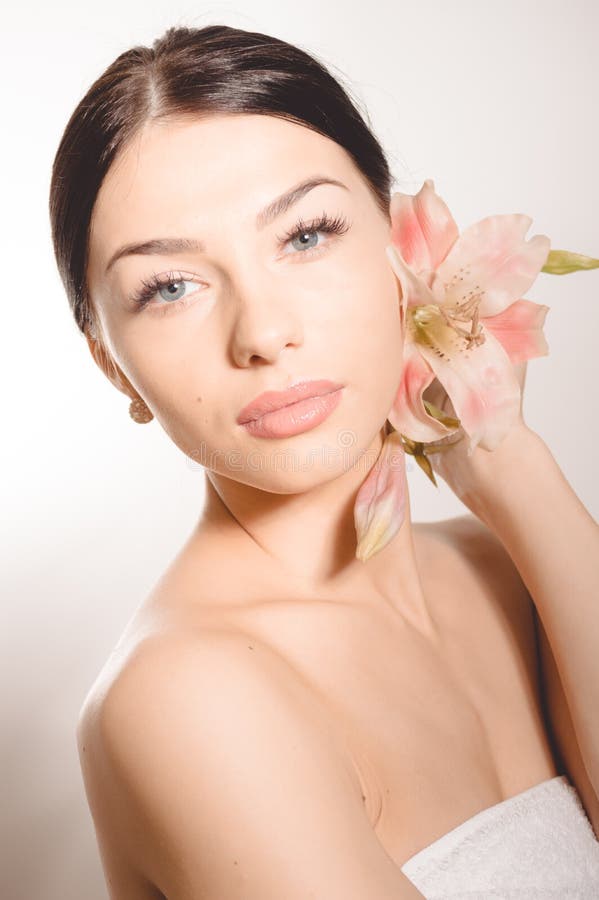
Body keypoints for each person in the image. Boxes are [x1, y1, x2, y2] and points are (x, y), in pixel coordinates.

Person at [49, 23, 599, 900]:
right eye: (169, 287)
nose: (263, 333)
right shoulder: (186, 698)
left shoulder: (507, 568)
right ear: (114, 366)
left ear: (403, 249)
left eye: (305, 235)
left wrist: (508, 461)